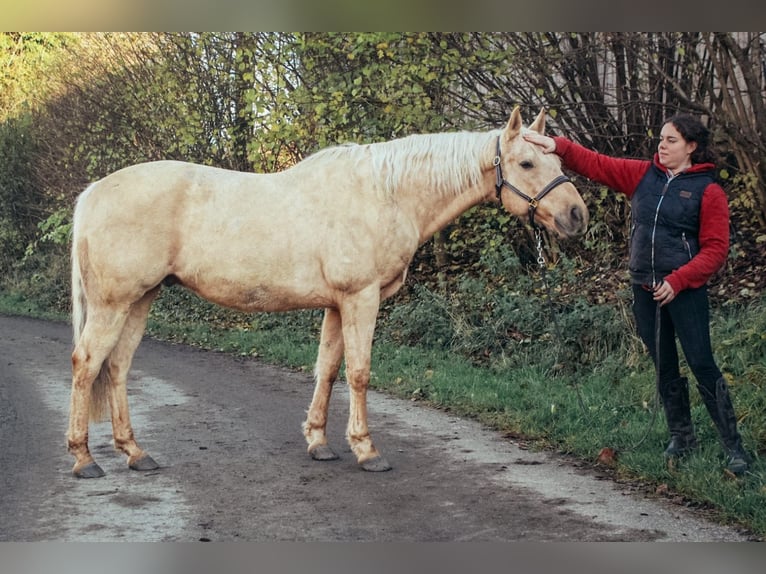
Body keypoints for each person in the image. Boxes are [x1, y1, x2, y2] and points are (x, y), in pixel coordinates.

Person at [524, 113, 750, 475]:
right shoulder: (644, 176)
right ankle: (682, 436)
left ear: (691, 146)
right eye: (661, 138)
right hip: (645, 289)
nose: (662, 145)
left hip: (685, 293)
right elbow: (598, 165)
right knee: (664, 365)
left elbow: (715, 250)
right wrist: (559, 146)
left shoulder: (709, 192)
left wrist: (678, 280)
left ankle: (734, 447)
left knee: (702, 363)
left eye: (671, 140)